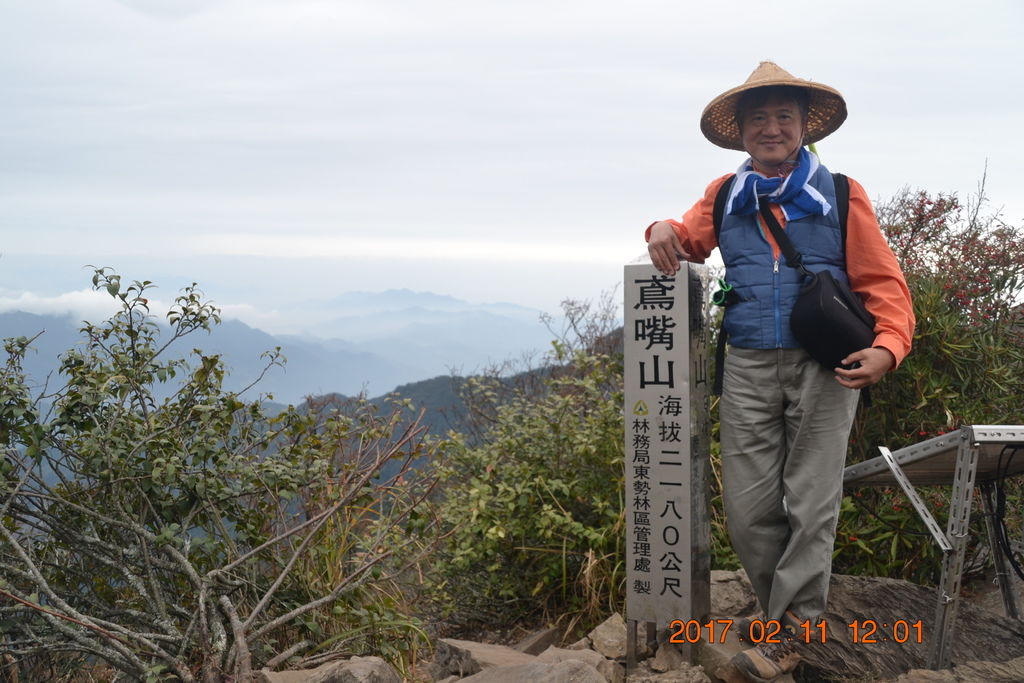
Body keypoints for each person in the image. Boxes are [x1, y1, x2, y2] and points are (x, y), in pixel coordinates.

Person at [645, 62, 914, 681]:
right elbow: (685, 239)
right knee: (748, 507)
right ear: (740, 131)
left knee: (813, 501)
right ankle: (778, 611)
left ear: (802, 127)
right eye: (758, 118)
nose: (771, 128)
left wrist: (889, 346)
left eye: (783, 116)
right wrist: (660, 228)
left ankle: (795, 632)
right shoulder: (725, 195)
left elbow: (882, 282)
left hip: (828, 367)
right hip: (747, 365)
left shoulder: (840, 193)